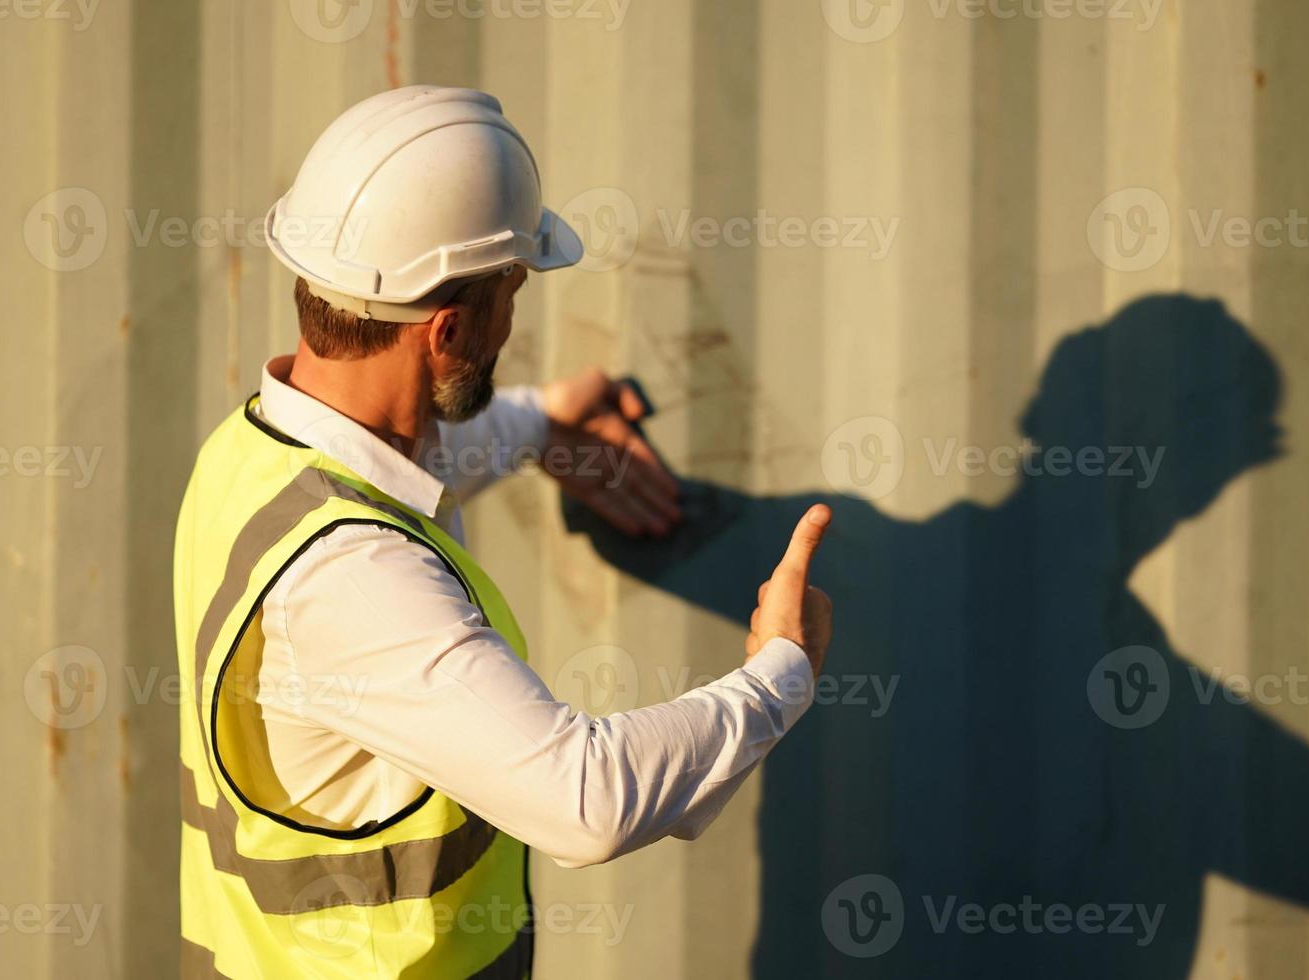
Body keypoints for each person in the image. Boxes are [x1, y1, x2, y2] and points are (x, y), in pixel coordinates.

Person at [172, 85, 833, 979]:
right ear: (447, 330)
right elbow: (585, 800)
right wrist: (779, 674)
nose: (515, 320)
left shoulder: (249, 453)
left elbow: (407, 452)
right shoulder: (353, 579)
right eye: (512, 289)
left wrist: (543, 422)